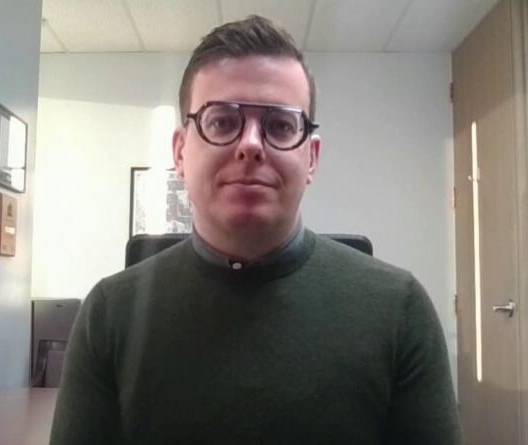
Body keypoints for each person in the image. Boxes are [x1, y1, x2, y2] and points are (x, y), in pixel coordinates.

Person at [50, 15, 461, 445]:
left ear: (312, 158)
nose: (250, 144)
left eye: (280, 125)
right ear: (180, 151)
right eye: (222, 121)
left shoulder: (401, 313)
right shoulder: (108, 316)